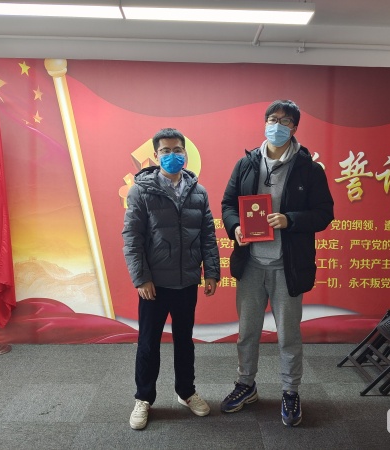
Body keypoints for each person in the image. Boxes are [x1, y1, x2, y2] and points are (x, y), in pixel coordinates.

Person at [220, 100, 334, 427]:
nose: (277, 125)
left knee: (288, 335)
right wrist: (235, 227)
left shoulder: (309, 169)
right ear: (265, 123)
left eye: (285, 121)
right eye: (273, 119)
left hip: (288, 267)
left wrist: (290, 220)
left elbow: (324, 213)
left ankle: (290, 391)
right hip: (251, 264)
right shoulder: (246, 164)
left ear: (294, 127)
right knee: (247, 332)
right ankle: (246, 384)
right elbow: (228, 204)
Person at [123, 128, 220, 430]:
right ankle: (143, 398)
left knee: (184, 342)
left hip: (187, 281)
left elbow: (207, 235)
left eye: (177, 150)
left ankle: (186, 392)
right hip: (154, 284)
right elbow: (132, 239)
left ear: (185, 153)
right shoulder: (141, 191)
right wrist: (141, 279)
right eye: (165, 151)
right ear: (156, 155)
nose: (172, 155)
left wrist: (212, 271)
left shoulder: (198, 192)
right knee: (148, 343)